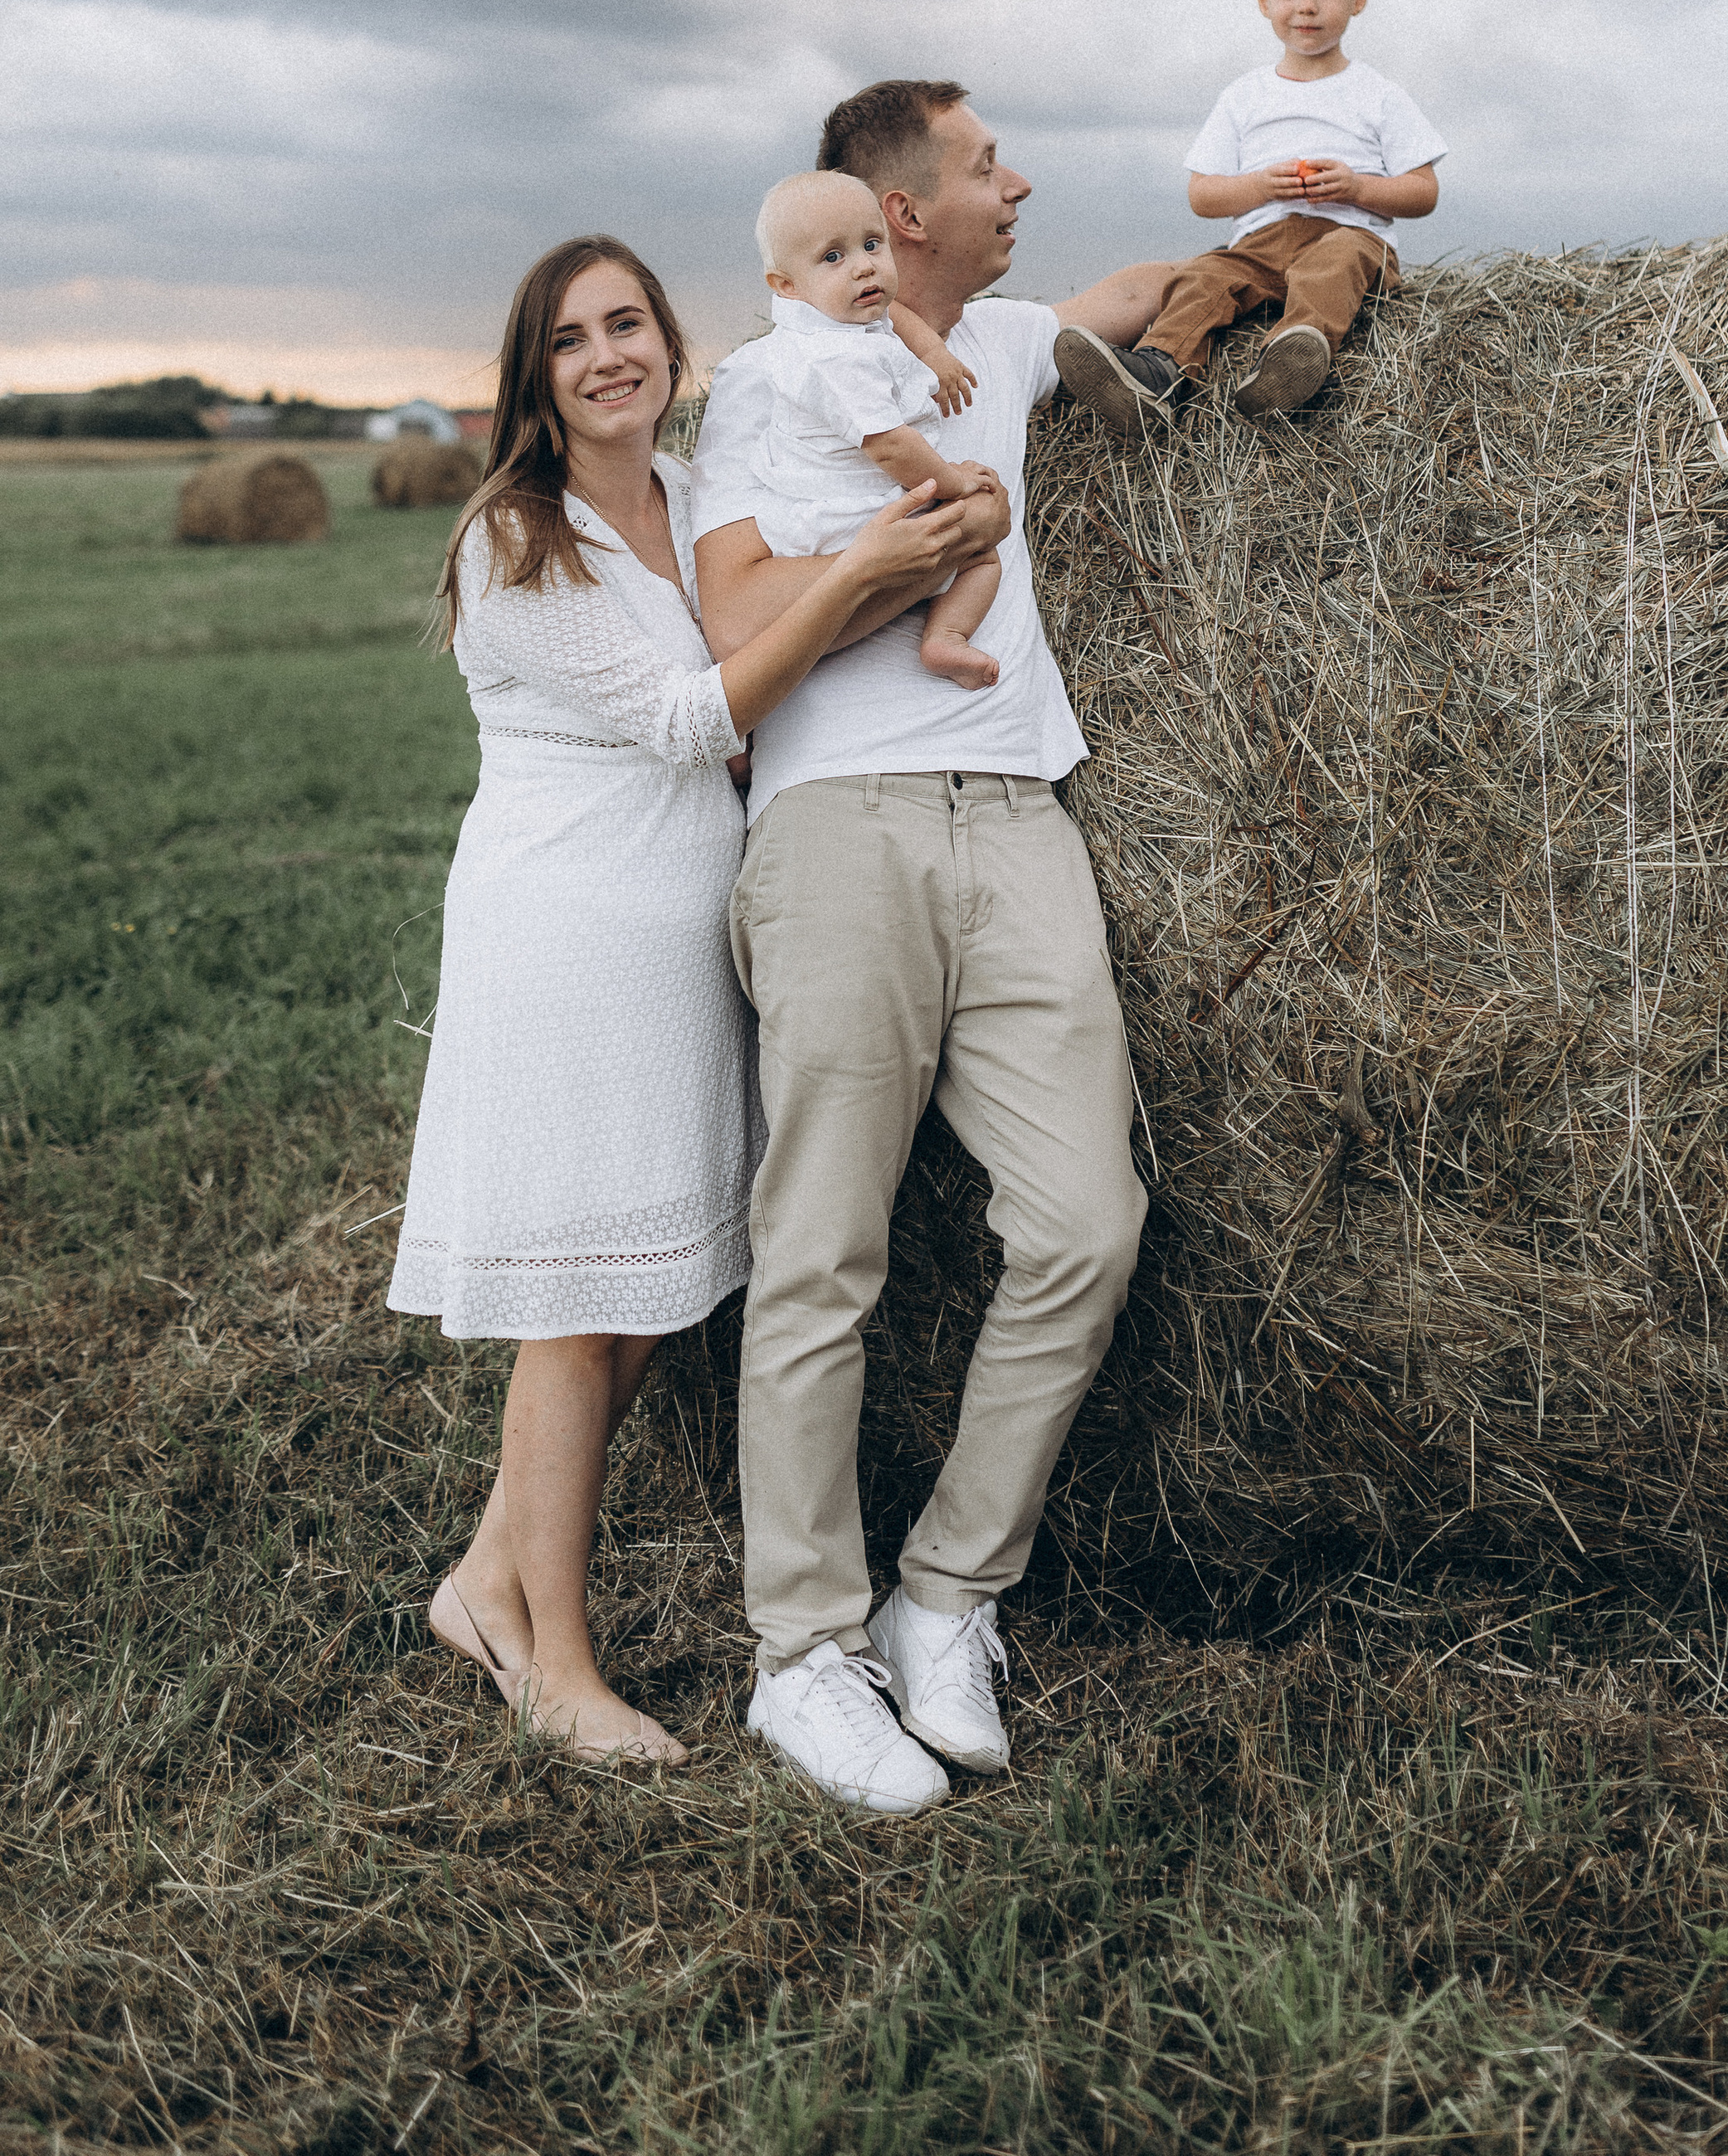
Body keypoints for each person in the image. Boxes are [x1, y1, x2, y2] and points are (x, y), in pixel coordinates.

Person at [388, 231, 974, 1765]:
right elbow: (685, 710)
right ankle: (552, 1661)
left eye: (630, 323)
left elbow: (763, 625)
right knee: (581, 1311)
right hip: (569, 930)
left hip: (688, 934)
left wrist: (894, 557)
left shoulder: (705, 491)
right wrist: (861, 572)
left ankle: (481, 1580)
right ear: (540, 374)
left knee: (653, 1288)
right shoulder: (514, 541)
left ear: (669, 341)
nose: (608, 357)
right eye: (573, 338)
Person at [694, 88, 1183, 1815]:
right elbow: (736, 618)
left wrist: (1294, 230)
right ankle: (803, 1656)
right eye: (984, 165)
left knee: (1085, 1220)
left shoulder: (993, 339)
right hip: (840, 825)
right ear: (892, 210)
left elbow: (1132, 297)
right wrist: (896, 560)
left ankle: (944, 1597)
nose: (1017, 181)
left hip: (1017, 813)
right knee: (819, 1248)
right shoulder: (763, 382)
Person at [1054, 0, 1446, 437]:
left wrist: (1358, 187)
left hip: (1351, 237)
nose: (1306, 6)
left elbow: (1423, 190)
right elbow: (1203, 195)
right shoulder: (1244, 96)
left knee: (1330, 265)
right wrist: (1260, 186)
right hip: (1259, 247)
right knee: (1202, 276)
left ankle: (1292, 362)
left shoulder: (1378, 94)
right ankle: (1158, 370)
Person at [752, 168, 1006, 692]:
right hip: (850, 518)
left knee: (976, 545)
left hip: (859, 505)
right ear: (786, 286)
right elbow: (890, 446)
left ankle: (940, 637)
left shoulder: (842, 313)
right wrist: (953, 482)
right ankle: (946, 633)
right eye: (833, 257)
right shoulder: (831, 357)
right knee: (979, 549)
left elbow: (896, 314)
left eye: (872, 245)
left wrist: (934, 354)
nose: (864, 268)